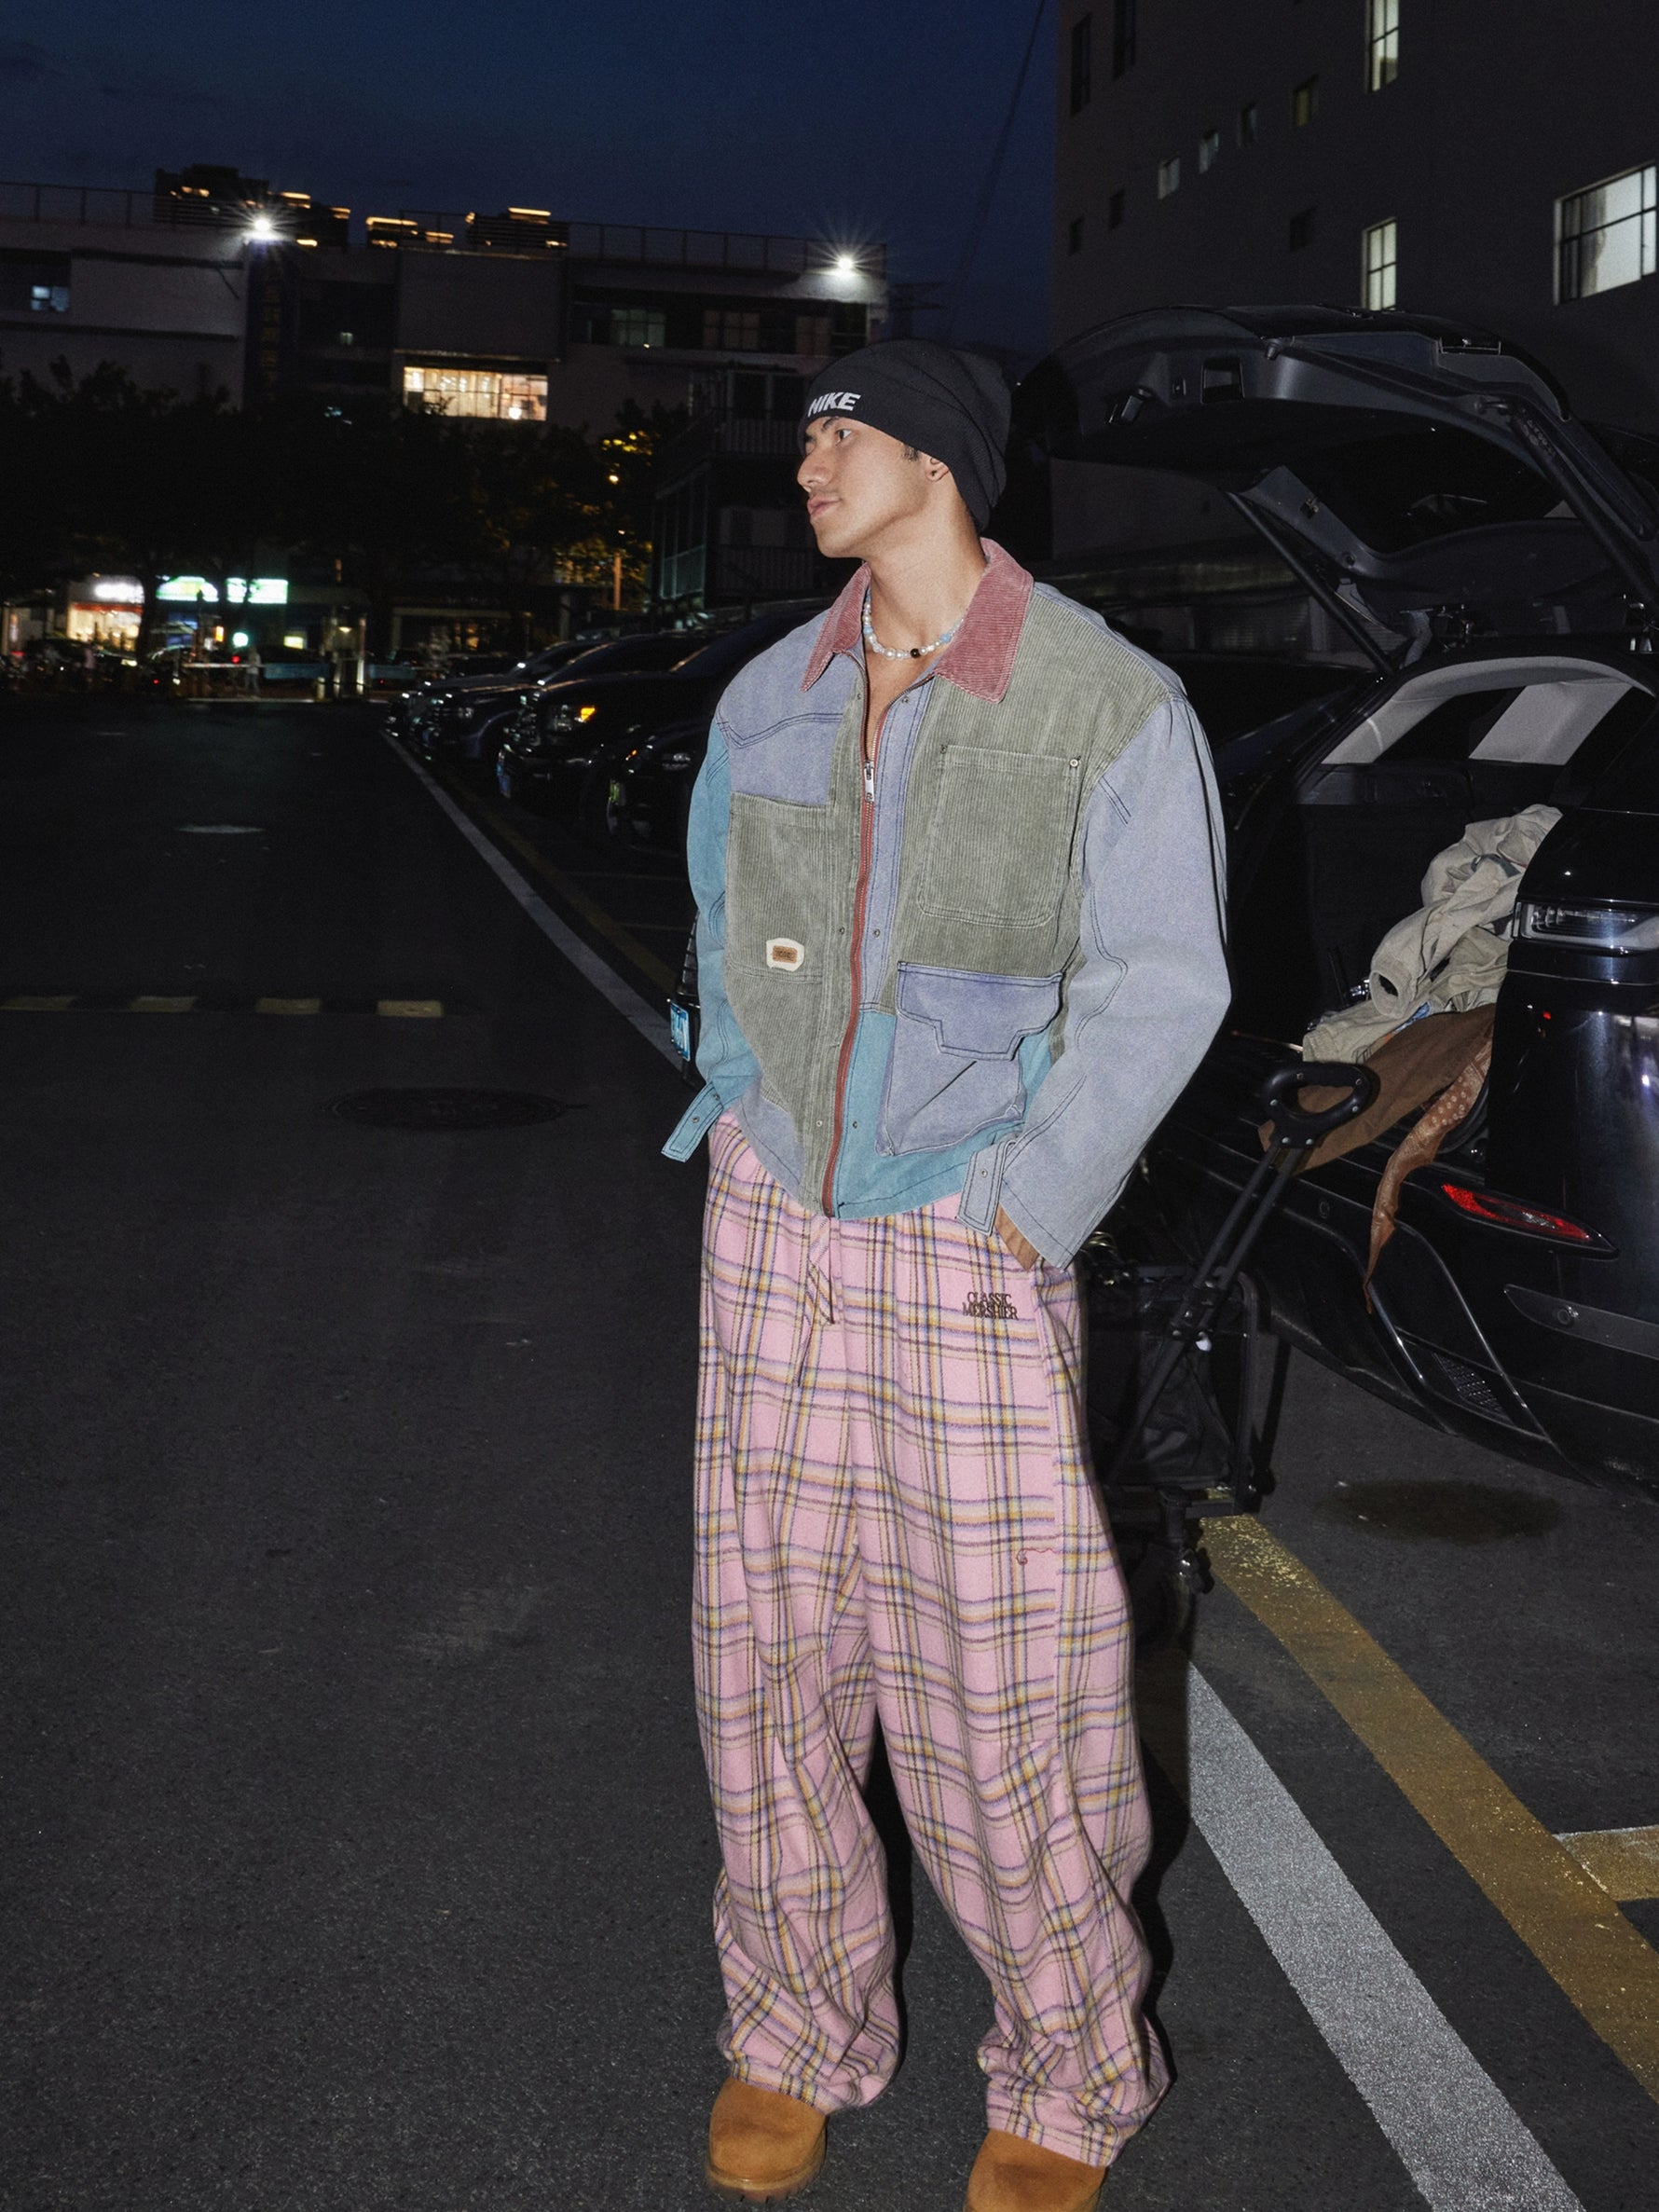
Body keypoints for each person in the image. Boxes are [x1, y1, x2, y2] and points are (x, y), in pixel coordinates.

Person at [663, 338, 1230, 2212]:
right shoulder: (769, 689)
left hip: (965, 1232)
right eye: (809, 437)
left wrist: (1028, 1200)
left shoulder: (1102, 699)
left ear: (941, 459)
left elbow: (1163, 984)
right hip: (773, 1228)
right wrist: (743, 1108)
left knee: (1008, 1690)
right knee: (766, 1664)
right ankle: (793, 2030)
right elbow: (715, 916)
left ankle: (1069, 2069)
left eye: (842, 433)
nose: (808, 464)